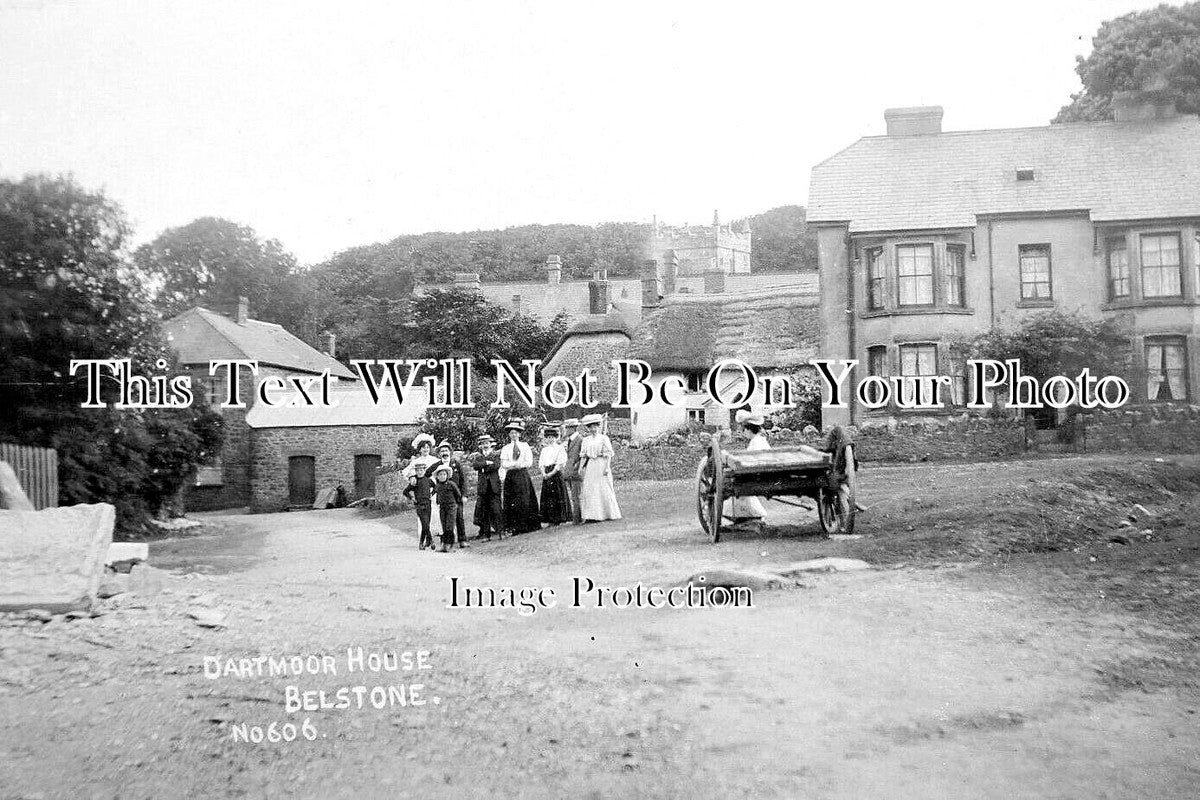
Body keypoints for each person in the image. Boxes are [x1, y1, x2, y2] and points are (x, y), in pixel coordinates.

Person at [724, 411, 769, 524]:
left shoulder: (756, 442)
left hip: (756, 475)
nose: (743, 433)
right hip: (763, 472)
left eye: (743, 430)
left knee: (737, 483)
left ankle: (748, 515)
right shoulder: (761, 440)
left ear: (748, 429)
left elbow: (750, 461)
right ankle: (745, 514)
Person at [499, 420, 541, 534]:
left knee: (524, 498)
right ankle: (514, 527)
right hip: (511, 475)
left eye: (516, 433)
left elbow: (529, 462)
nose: (514, 435)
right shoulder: (506, 448)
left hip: (522, 474)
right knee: (512, 500)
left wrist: (520, 465)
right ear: (509, 435)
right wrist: (513, 465)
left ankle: (527, 525)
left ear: (519, 434)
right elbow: (504, 464)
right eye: (512, 433)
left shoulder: (525, 446)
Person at [578, 413, 621, 521]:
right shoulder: (586, 440)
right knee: (591, 489)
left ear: (598, 427)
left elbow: (608, 454)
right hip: (591, 465)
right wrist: (580, 467)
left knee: (603, 488)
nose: (593, 429)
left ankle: (607, 514)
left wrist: (607, 467)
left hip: (601, 464)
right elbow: (583, 455)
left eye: (595, 426)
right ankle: (591, 516)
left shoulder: (603, 438)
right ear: (588, 428)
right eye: (591, 427)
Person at [426, 441, 467, 548]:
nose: (444, 453)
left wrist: (464, 495)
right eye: (442, 451)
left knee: (459, 517)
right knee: (445, 521)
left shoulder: (456, 463)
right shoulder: (436, 465)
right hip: (444, 497)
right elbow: (426, 475)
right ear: (439, 453)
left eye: (446, 450)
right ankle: (446, 542)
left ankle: (462, 540)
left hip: (456, 496)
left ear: (450, 452)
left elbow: (463, 480)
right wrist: (433, 484)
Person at [402, 433, 439, 549]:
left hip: (432, 490)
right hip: (420, 493)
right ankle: (426, 539)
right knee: (423, 518)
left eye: (428, 447)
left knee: (434, 514)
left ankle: (431, 538)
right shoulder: (416, 462)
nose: (426, 450)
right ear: (420, 449)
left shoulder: (435, 460)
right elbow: (406, 472)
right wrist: (412, 476)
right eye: (423, 448)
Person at [536, 425, 571, 525]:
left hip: (555, 473)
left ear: (556, 438)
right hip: (546, 473)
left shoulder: (560, 448)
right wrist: (543, 473)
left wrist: (551, 473)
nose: (550, 439)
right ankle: (550, 519)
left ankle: (559, 518)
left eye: (552, 437)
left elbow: (560, 463)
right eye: (548, 437)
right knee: (548, 497)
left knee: (557, 496)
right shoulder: (544, 450)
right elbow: (541, 463)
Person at [471, 434, 503, 540]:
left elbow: (496, 465)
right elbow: (475, 466)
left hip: (494, 486)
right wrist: (486, 463)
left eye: (487, 443)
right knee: (484, 510)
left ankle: (500, 531)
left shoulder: (495, 455)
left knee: (496, 508)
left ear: (490, 444)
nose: (485, 445)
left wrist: (484, 467)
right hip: (483, 487)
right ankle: (485, 532)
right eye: (483, 444)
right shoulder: (478, 457)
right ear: (480, 446)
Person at [431, 463, 462, 553]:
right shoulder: (437, 486)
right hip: (442, 508)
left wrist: (456, 504)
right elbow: (436, 495)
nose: (442, 476)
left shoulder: (451, 484)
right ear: (437, 476)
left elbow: (458, 494)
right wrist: (437, 502)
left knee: (450, 526)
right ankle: (444, 544)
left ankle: (451, 545)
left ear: (447, 475)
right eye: (440, 475)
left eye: (444, 474)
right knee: (444, 526)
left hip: (451, 507)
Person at [561, 418, 584, 524]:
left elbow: (582, 456)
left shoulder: (580, 439)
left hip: (576, 472)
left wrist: (577, 467)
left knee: (576, 496)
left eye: (567, 428)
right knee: (574, 496)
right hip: (569, 471)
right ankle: (577, 518)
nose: (565, 430)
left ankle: (578, 519)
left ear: (572, 428)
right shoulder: (569, 440)